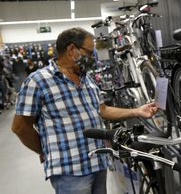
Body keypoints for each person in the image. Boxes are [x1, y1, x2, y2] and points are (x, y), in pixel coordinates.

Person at [11, 27, 158, 194]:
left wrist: (137, 111)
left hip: (98, 163)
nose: (92, 58)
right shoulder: (38, 81)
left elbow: (102, 110)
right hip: (70, 170)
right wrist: (44, 150)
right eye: (89, 52)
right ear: (72, 50)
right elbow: (20, 127)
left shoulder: (86, 79)